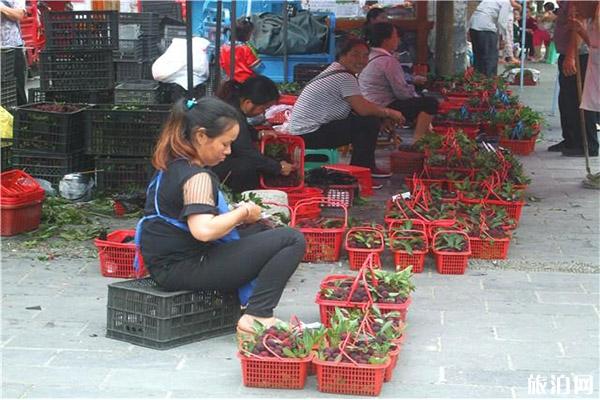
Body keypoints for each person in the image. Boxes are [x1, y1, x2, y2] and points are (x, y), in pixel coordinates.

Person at [137, 97, 306, 339]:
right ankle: (258, 314)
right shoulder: (196, 177)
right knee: (291, 239)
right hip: (182, 267)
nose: (228, 151)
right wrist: (243, 212)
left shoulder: (173, 164)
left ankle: (251, 305)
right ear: (201, 136)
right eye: (225, 144)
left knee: (262, 233)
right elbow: (203, 231)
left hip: (167, 263)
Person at [287, 36, 406, 182]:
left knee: (369, 119)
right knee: (368, 122)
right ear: (342, 55)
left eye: (365, 56)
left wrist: (383, 115)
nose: (361, 60)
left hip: (306, 132)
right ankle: (361, 170)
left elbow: (359, 104)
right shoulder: (344, 77)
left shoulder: (338, 71)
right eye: (355, 55)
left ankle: (363, 168)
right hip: (308, 134)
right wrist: (390, 112)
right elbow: (362, 109)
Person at [212, 76, 294, 192]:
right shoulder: (232, 115)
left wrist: (258, 134)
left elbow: (242, 131)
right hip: (209, 167)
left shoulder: (231, 105)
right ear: (248, 103)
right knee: (247, 167)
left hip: (211, 162)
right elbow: (246, 153)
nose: (264, 113)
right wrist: (278, 167)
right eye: (263, 108)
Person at [359, 22, 438, 140]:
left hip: (366, 102)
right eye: (395, 36)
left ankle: (428, 135)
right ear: (386, 40)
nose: (398, 40)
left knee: (418, 100)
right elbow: (402, 93)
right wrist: (414, 94)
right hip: (381, 105)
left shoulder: (369, 55)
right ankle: (418, 140)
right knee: (430, 103)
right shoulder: (388, 61)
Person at [549, 1, 596, 157]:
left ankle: (587, 144)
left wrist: (570, 57)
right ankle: (571, 140)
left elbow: (581, 24)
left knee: (580, 100)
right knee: (567, 100)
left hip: (580, 56)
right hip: (576, 54)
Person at [563, 1, 599, 157]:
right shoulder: (592, 20)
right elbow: (594, 44)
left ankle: (591, 146)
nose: (575, 8)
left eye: (578, 4)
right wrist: (580, 29)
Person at [152, 37, 211, 102]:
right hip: (185, 85)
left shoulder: (194, 53)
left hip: (179, 84)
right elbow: (203, 71)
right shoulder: (190, 52)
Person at [469, 0, 513, 76]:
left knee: (478, 57)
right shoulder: (505, 2)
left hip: (474, 26)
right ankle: (490, 81)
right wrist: (503, 37)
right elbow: (502, 22)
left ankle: (477, 80)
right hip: (486, 28)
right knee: (490, 57)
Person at [220, 17, 262, 83]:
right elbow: (258, 68)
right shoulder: (245, 49)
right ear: (246, 35)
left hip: (230, 82)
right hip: (247, 83)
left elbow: (222, 67)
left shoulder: (223, 48)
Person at [0, 0, 27, 105]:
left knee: (17, 89)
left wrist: (2, 8)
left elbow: (19, 14)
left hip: (12, 47)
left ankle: (22, 119)